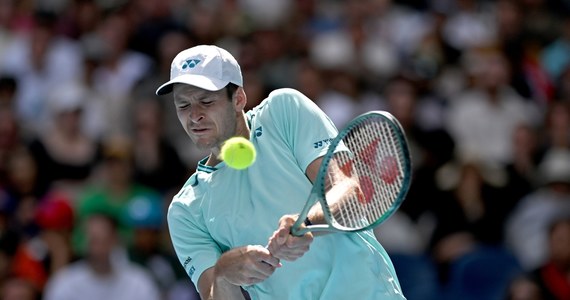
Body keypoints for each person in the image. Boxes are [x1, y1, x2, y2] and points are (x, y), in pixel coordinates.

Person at [158, 45, 405, 299]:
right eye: (183, 106)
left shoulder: (283, 110)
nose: (194, 116)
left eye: (206, 101)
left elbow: (348, 192)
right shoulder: (184, 210)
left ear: (239, 99)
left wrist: (306, 223)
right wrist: (224, 272)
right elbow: (214, 293)